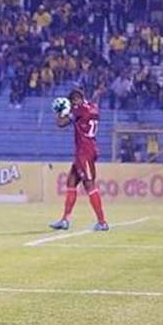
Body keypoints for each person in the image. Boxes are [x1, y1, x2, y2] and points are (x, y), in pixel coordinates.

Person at [49, 87, 108, 231]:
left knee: (89, 185)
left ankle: (102, 222)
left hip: (85, 152)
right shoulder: (92, 107)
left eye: (73, 100)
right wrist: (96, 94)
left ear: (78, 99)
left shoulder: (78, 111)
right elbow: (93, 103)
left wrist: (59, 112)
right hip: (87, 150)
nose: (73, 103)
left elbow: (61, 124)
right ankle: (65, 219)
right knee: (71, 182)